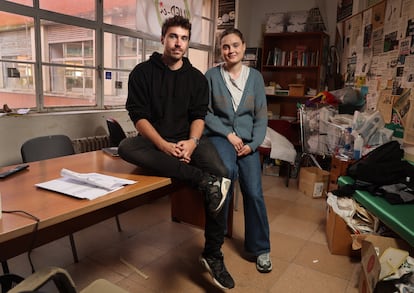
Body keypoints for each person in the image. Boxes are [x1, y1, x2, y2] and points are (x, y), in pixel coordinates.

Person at [117, 16, 235, 289]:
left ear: (187, 42)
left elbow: (198, 116)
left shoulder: (196, 78)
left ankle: (213, 254)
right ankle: (202, 181)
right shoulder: (142, 72)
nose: (178, 43)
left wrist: (192, 142)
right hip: (156, 141)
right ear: (162, 38)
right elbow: (138, 117)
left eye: (183, 38)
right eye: (173, 36)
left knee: (222, 173)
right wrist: (163, 145)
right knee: (126, 146)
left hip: (189, 141)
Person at [204, 27, 272, 273]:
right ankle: (215, 244)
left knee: (253, 192)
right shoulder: (211, 76)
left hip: (248, 144)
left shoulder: (255, 78)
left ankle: (261, 248)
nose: (230, 50)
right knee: (225, 179)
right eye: (225, 46)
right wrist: (228, 134)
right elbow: (205, 113)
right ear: (220, 50)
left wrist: (253, 145)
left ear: (244, 47)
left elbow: (261, 118)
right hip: (222, 138)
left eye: (235, 45)